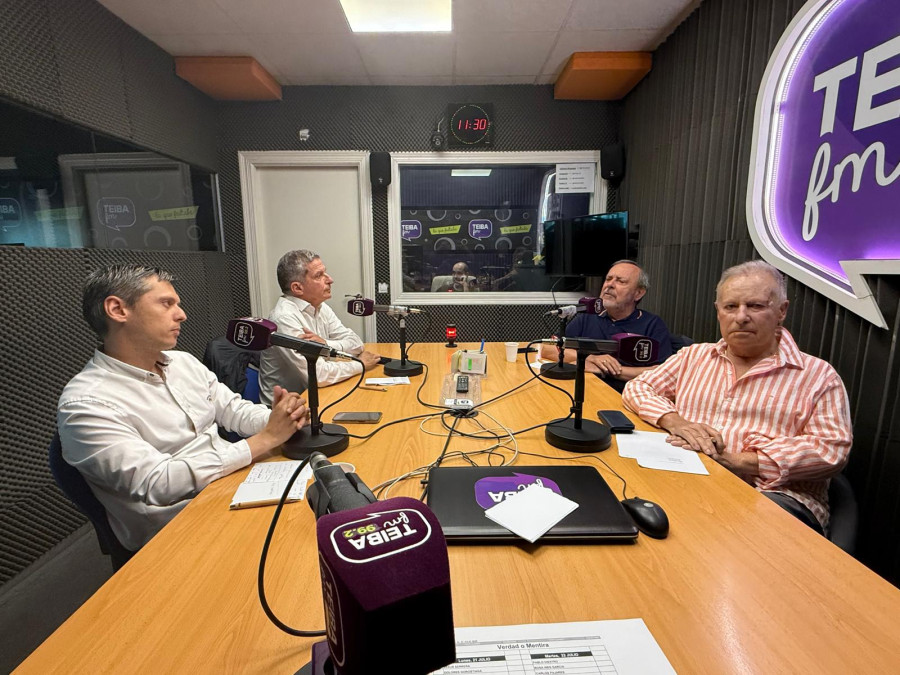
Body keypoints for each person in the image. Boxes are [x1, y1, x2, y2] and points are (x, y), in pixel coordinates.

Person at [57, 264, 310, 552]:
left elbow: (234, 410)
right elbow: (156, 483)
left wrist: (281, 418)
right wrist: (265, 439)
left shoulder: (183, 362)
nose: (182, 315)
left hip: (231, 486)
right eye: (167, 304)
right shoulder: (85, 404)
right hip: (179, 531)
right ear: (117, 310)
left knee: (322, 501)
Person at [622, 260, 852, 533]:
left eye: (755, 306)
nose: (741, 317)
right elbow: (638, 387)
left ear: (781, 310)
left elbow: (831, 450)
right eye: (731, 307)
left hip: (772, 499)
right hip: (685, 483)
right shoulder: (693, 357)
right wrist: (676, 422)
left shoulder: (819, 376)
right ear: (718, 311)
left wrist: (739, 460)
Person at [259, 249, 380, 404]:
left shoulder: (320, 307)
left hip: (317, 395)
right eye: (319, 275)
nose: (330, 280)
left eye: (325, 273)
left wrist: (325, 344)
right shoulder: (284, 319)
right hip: (285, 409)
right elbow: (318, 375)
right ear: (297, 288)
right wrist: (360, 364)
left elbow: (356, 343)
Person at [540, 260, 673, 392]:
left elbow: (663, 373)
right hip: (585, 389)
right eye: (608, 279)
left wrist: (608, 369)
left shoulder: (652, 324)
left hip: (624, 396)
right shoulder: (588, 316)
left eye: (621, 281)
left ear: (638, 293)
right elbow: (547, 348)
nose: (610, 285)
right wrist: (588, 358)